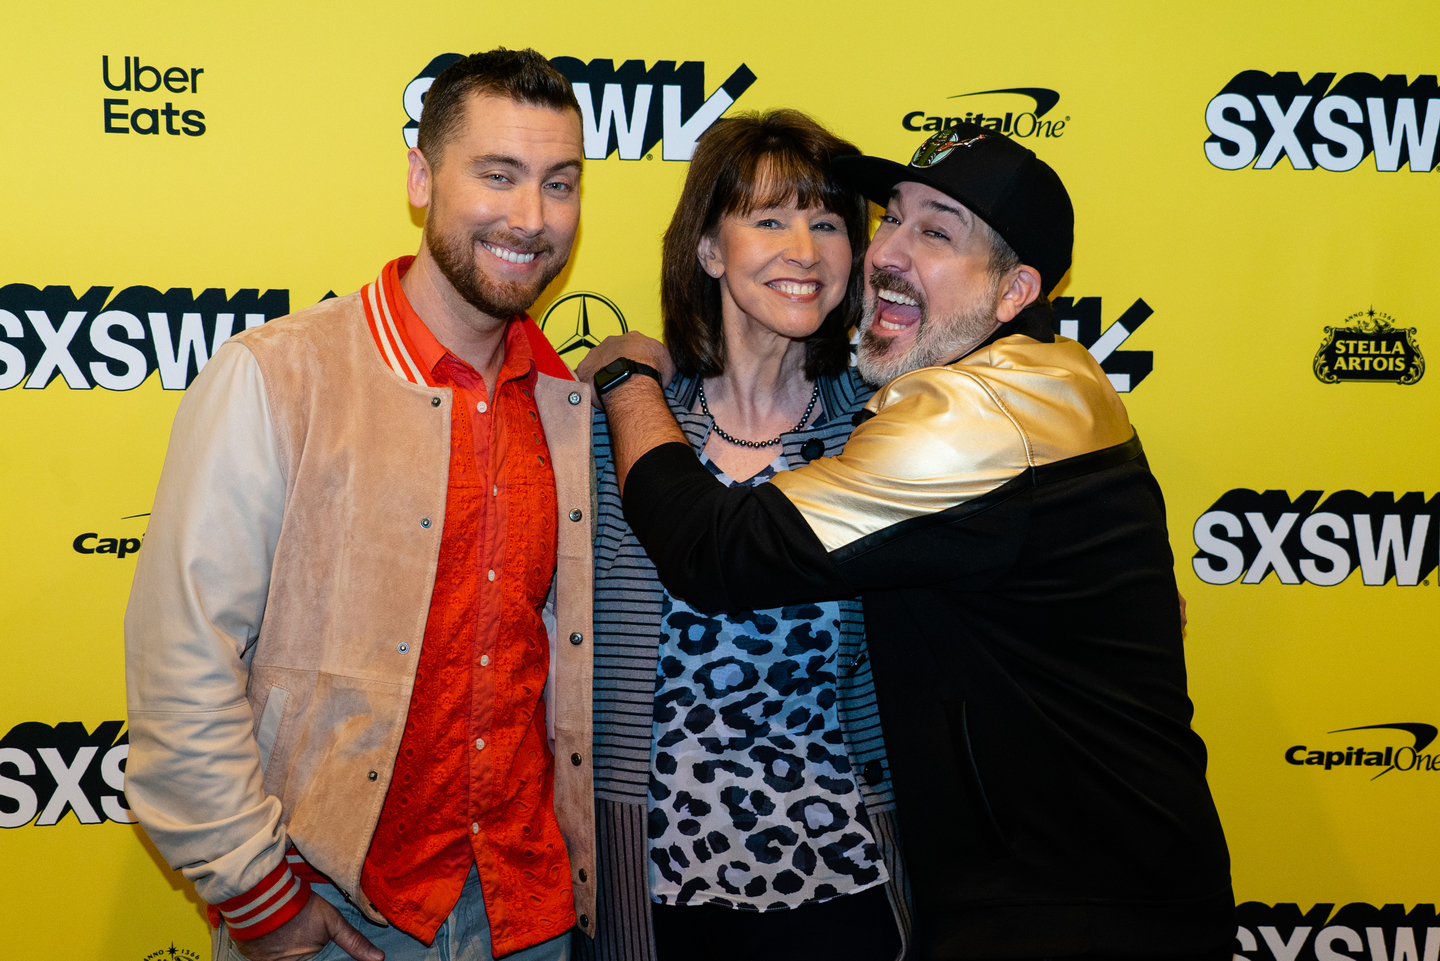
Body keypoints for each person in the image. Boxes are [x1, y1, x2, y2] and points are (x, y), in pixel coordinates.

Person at [580, 124, 1235, 960]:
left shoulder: (944, 419)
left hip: (1060, 904)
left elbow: (715, 553)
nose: (883, 249)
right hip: (690, 894)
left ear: (1014, 291)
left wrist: (627, 382)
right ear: (708, 246)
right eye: (891, 217)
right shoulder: (1029, 387)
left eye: (935, 232)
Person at [124, 48, 598, 961]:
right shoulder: (278, 376)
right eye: (497, 176)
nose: (531, 217)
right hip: (336, 919)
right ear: (422, 178)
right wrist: (260, 896)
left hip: (528, 915)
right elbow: (181, 658)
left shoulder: (566, 406)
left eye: (560, 183)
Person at [575, 110, 910, 961]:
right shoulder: (621, 428)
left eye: (828, 222)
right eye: (769, 218)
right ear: (709, 249)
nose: (805, 248)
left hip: (844, 886)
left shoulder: (885, 436)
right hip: (650, 893)